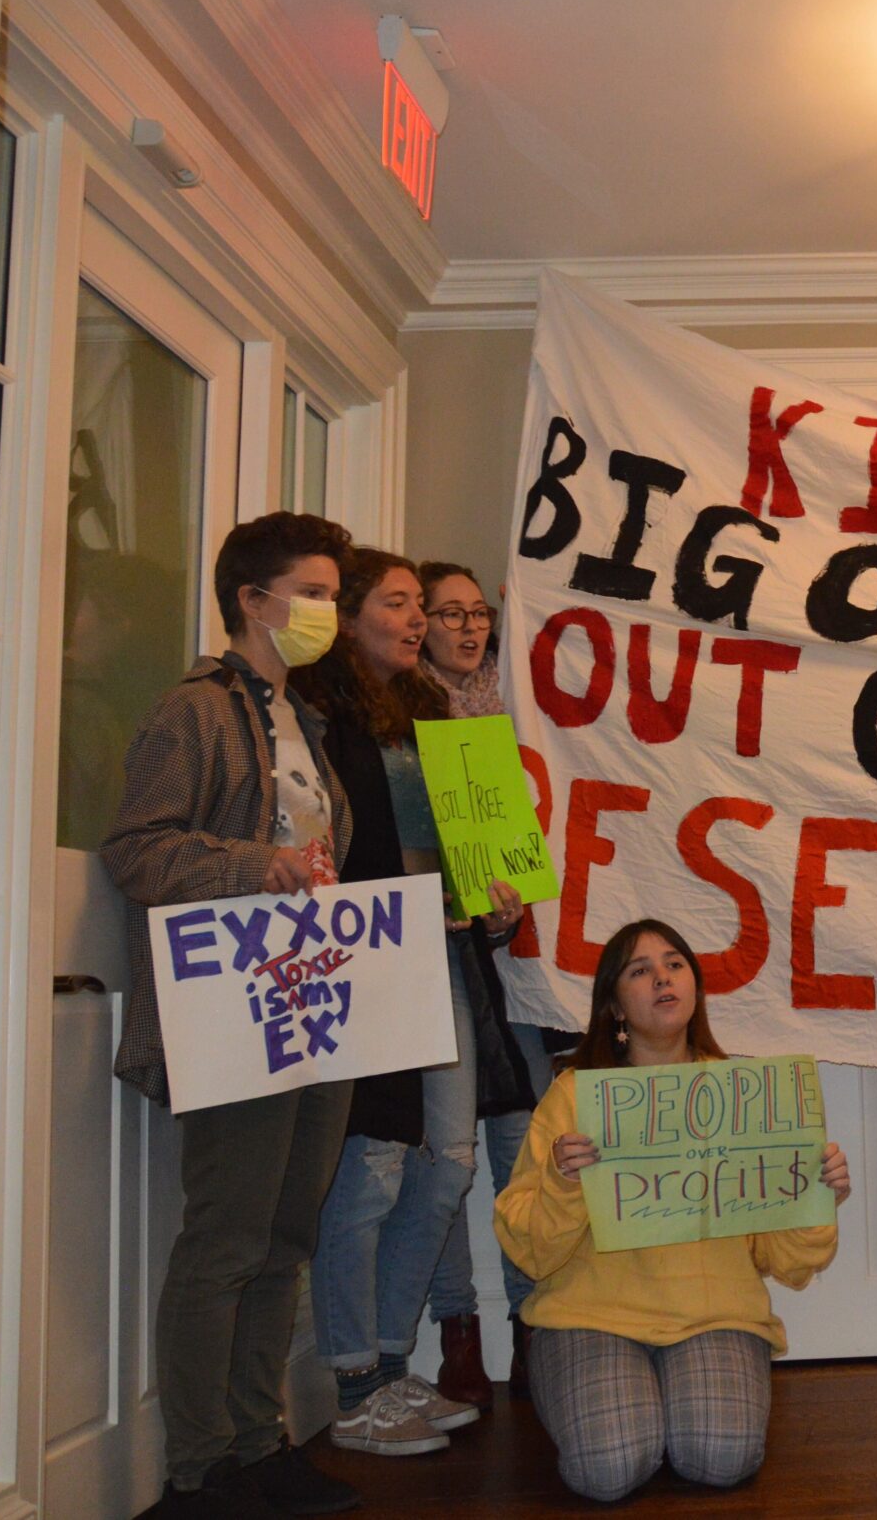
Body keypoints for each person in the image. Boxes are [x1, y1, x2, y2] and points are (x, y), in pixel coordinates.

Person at [103, 511, 364, 1518]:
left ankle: (262, 1442)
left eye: (333, 593)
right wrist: (261, 866)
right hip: (231, 1013)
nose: (326, 611)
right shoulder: (192, 712)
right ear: (252, 601)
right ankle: (200, 1465)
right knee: (226, 1237)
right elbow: (138, 851)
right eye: (311, 591)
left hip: (318, 1004)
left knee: (287, 1233)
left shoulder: (308, 725)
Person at [296, 549, 525, 1455]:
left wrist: (497, 900)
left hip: (440, 958)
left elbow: (477, 848)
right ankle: (357, 1380)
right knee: (370, 1175)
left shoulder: (437, 714)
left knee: (449, 1165)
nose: (419, 619)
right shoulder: (319, 717)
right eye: (398, 604)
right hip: (362, 963)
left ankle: (394, 1365)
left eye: (417, 606)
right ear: (351, 617)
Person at [496, 920, 849, 1503]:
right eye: (639, 970)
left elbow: (787, 1262)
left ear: (695, 986)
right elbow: (529, 1249)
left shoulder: (746, 1095)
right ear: (613, 1003)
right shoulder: (573, 1096)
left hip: (714, 1316)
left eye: (675, 963)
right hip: (589, 1316)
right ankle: (632, 1412)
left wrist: (814, 1196)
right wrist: (563, 1181)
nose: (662, 977)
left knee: (722, 1457)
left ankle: (661, 1413)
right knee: (608, 1468)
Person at [416, 560, 560, 1404]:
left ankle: (533, 1325)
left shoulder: (527, 709)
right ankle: (456, 1327)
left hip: (519, 961)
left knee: (523, 1152)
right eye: (447, 614)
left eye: (479, 615)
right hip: (443, 961)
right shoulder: (399, 717)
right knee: (444, 1161)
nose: (468, 629)